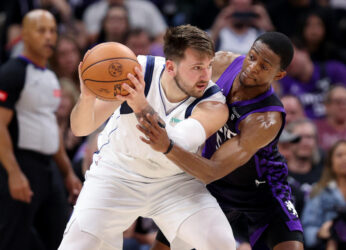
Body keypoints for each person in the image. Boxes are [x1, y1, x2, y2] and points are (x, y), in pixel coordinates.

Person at [59, 24, 236, 250]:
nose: (205, 76)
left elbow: (176, 143)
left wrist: (140, 105)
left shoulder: (214, 103)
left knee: (222, 244)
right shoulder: (136, 71)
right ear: (170, 67)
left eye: (209, 66)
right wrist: (86, 98)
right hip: (116, 175)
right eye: (197, 67)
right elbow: (80, 128)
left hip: (174, 183)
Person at [137, 32, 304, 249]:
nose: (253, 67)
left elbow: (213, 169)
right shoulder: (222, 63)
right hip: (212, 187)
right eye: (252, 57)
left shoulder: (266, 118)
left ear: (278, 75)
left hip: (262, 192)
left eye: (264, 67)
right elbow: (178, 78)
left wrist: (167, 146)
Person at [0, 9, 82, 250]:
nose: (49, 37)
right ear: (25, 35)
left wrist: (67, 172)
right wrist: (13, 173)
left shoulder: (50, 77)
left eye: (53, 31)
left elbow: (50, 126)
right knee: (13, 239)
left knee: (62, 239)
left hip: (49, 169)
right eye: (41, 30)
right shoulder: (12, 73)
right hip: (19, 165)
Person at [302, 140, 346, 250]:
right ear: (330, 162)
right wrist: (319, 232)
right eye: (339, 155)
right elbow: (308, 227)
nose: (345, 159)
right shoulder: (319, 191)